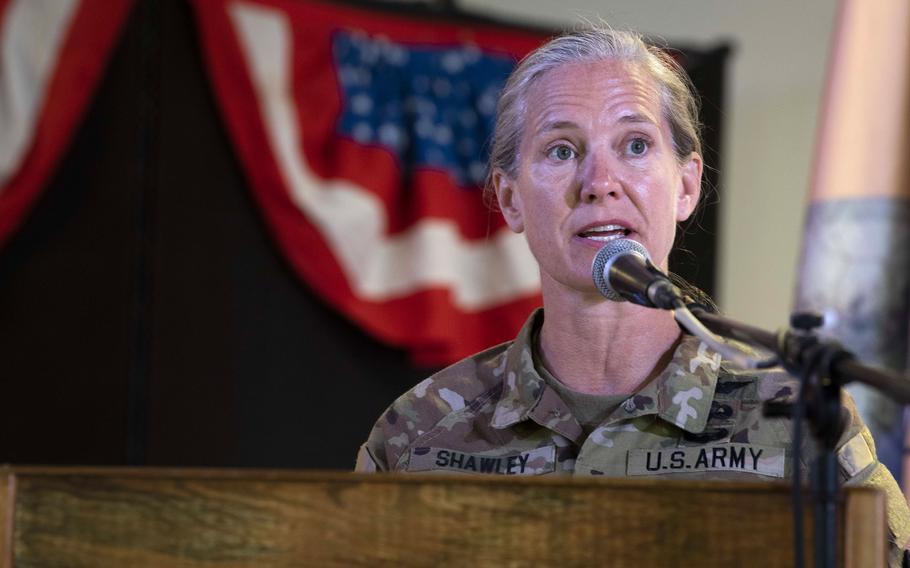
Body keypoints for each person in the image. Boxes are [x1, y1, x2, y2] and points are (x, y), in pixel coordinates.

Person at [354, 25, 910, 564]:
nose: (600, 181)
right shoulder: (418, 434)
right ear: (510, 199)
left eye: (636, 145)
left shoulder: (796, 420)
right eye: (561, 151)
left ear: (687, 186)